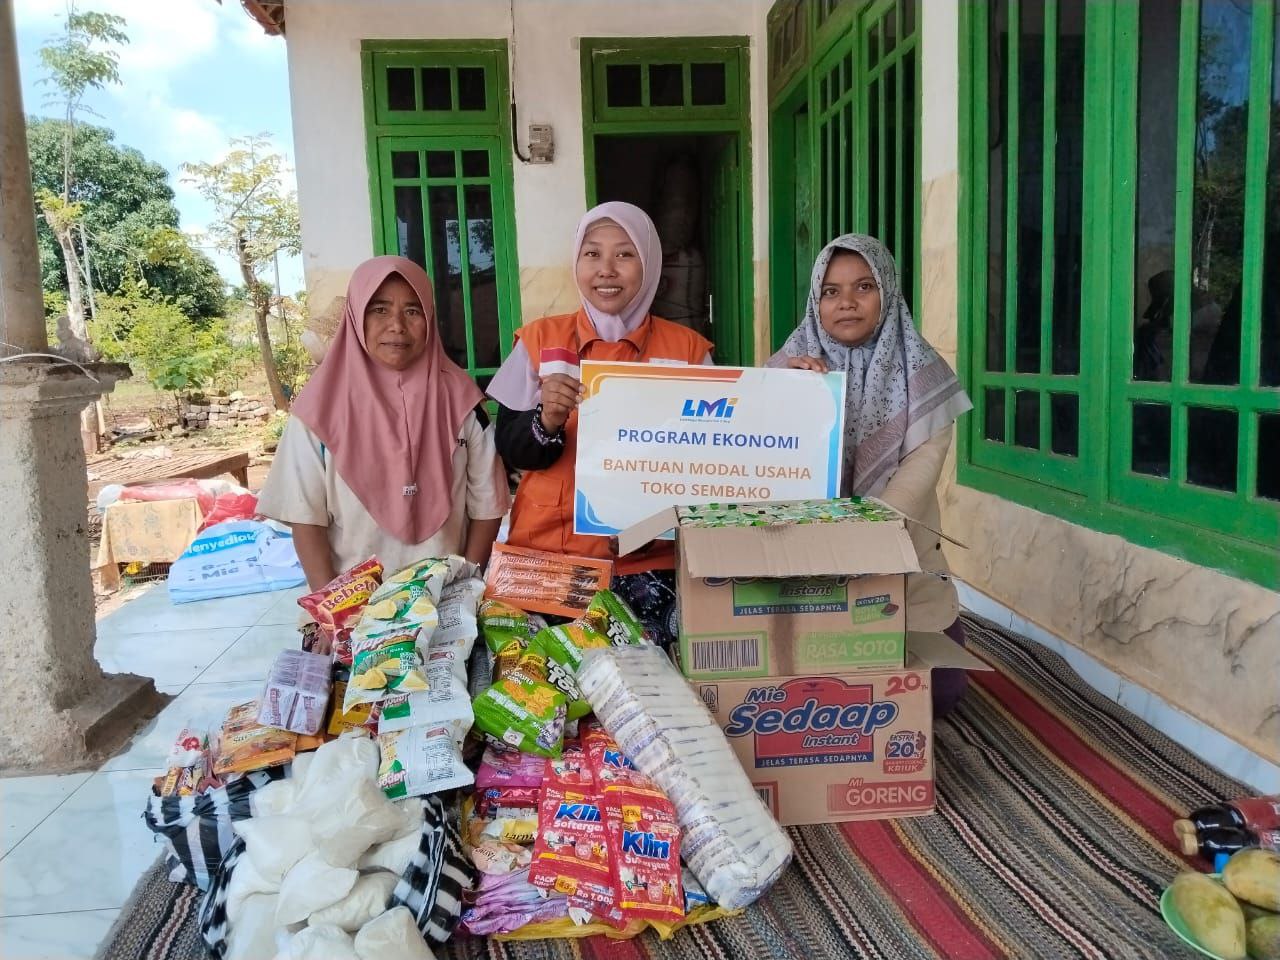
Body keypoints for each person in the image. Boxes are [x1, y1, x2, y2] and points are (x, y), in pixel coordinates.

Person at [486, 202, 713, 644]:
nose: (606, 269)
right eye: (592, 254)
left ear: (650, 264)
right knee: (544, 680)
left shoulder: (688, 350)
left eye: (625, 254)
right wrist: (547, 420)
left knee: (647, 679)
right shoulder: (539, 340)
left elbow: (708, 463)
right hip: (547, 560)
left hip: (650, 563)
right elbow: (512, 448)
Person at [770, 234, 973, 715]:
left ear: (888, 291)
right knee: (799, 683)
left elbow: (919, 470)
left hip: (899, 552)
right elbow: (764, 461)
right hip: (808, 556)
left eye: (863, 287)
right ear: (815, 301)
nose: (846, 302)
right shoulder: (787, 366)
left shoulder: (922, 370)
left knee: (941, 692)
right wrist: (787, 394)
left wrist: (865, 534)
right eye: (831, 291)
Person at [257, 256, 509, 599]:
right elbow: (305, 517)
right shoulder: (318, 410)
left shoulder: (463, 403)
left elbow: (487, 506)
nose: (397, 326)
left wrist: (465, 588)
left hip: (445, 600)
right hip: (353, 605)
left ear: (430, 318)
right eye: (379, 310)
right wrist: (333, 607)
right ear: (356, 317)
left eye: (412, 311)